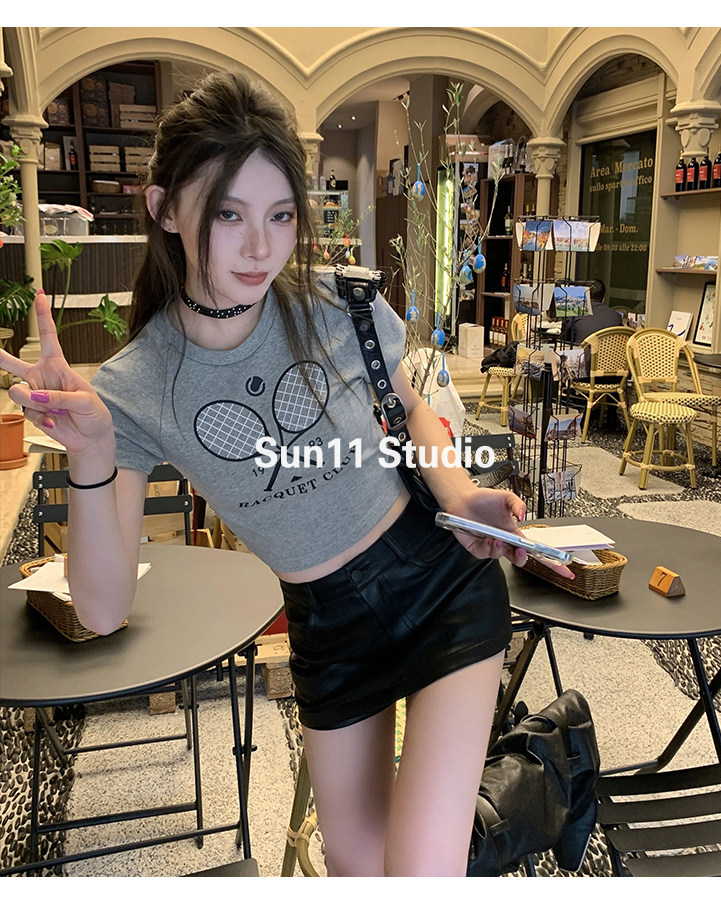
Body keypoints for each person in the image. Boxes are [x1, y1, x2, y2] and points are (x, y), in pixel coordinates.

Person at [2, 70, 573, 877]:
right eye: (228, 214)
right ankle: (541, 786)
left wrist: (459, 494)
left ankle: (527, 792)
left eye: (279, 215)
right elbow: (100, 609)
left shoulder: (342, 303)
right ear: (164, 208)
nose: (261, 247)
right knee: (358, 873)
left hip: (438, 586)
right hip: (328, 627)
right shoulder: (133, 387)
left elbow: (411, 409)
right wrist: (91, 455)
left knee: (417, 875)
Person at [560, 278, 623, 347]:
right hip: (608, 354)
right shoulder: (617, 316)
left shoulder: (574, 313)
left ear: (584, 295)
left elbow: (563, 342)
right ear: (604, 299)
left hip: (582, 353)